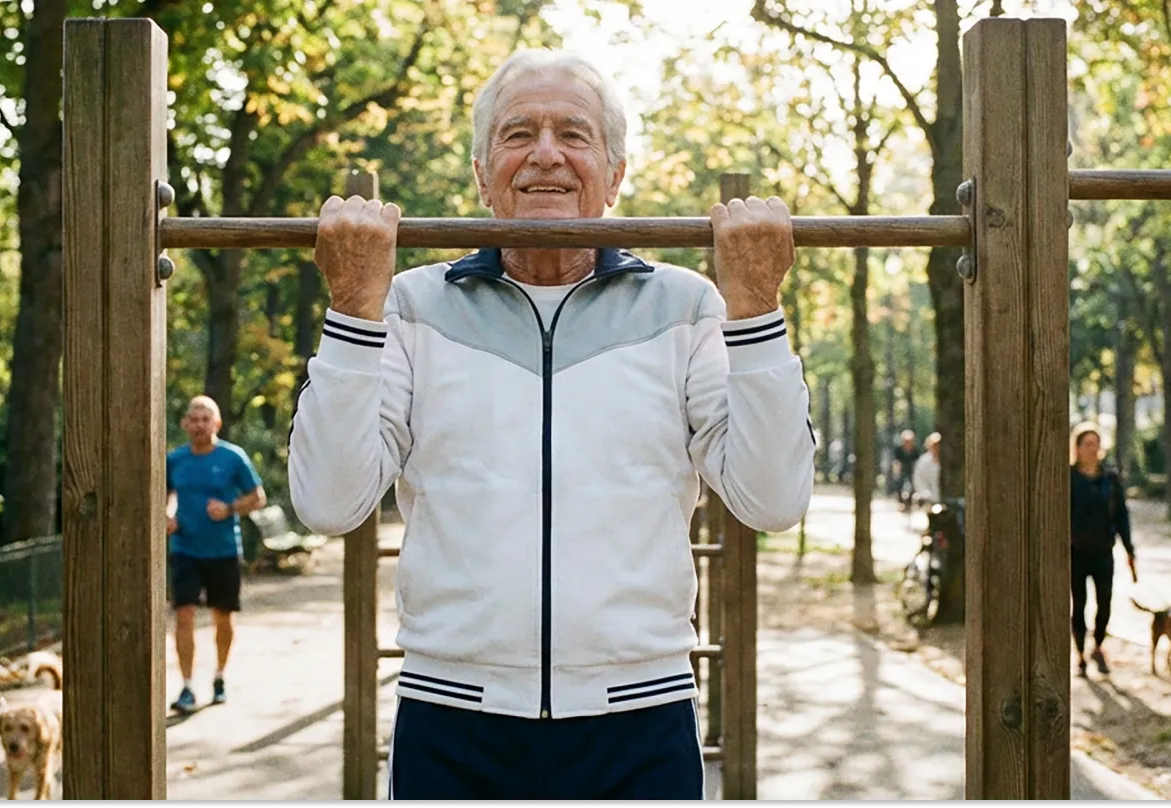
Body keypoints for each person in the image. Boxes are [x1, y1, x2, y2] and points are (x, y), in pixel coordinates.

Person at [288, 49, 814, 801]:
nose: (545, 154)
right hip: (453, 720)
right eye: (516, 134)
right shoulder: (406, 305)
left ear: (615, 171)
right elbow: (329, 501)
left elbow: (772, 498)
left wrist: (757, 309)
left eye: (573, 133)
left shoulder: (686, 305)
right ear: (481, 172)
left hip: (640, 721)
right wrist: (350, 312)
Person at [166, 395, 266, 714]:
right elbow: (167, 493)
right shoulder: (175, 459)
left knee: (222, 617)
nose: (199, 425)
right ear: (185, 424)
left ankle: (220, 676)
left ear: (217, 423)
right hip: (185, 548)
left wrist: (230, 508)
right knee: (183, 614)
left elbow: (258, 497)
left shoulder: (233, 457)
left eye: (205, 419)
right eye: (193, 419)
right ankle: (186, 685)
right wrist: (168, 515)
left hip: (222, 549)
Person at [1068, 424, 1136, 678]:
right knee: (1079, 604)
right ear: (1077, 448)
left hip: (1103, 550)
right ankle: (1080, 653)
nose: (1093, 449)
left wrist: (1129, 548)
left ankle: (1098, 645)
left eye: (1096, 444)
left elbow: (1121, 514)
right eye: (1087, 444)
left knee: (1104, 603)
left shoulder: (1110, 478)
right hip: (1076, 552)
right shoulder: (1069, 477)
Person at [891, 429, 920, 509]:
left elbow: (917, 461)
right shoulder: (898, 449)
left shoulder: (915, 450)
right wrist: (896, 470)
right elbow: (896, 461)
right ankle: (900, 502)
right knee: (899, 483)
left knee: (913, 484)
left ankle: (909, 502)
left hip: (911, 469)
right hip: (902, 468)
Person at [911, 432, 941, 506]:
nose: (936, 448)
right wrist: (924, 493)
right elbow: (918, 478)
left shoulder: (948, 460)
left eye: (938, 445)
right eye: (934, 445)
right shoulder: (923, 461)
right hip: (930, 498)